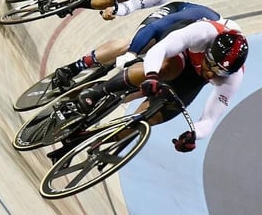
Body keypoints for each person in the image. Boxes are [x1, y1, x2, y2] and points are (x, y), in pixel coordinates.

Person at [75, 19, 248, 153]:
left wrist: (193, 135)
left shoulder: (233, 77)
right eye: (212, 66)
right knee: (167, 68)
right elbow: (161, 49)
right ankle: (99, 91)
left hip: (193, 79)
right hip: (181, 51)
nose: (212, 74)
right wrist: (152, 75)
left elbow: (210, 119)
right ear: (209, 51)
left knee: (151, 118)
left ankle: (90, 140)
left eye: (221, 73)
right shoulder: (203, 33)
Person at [51, 1, 224, 92]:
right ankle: (73, 68)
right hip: (171, 18)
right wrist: (132, 53)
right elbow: (157, 27)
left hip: (181, 41)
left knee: (155, 80)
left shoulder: (217, 55)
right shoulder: (205, 22)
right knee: (131, 44)